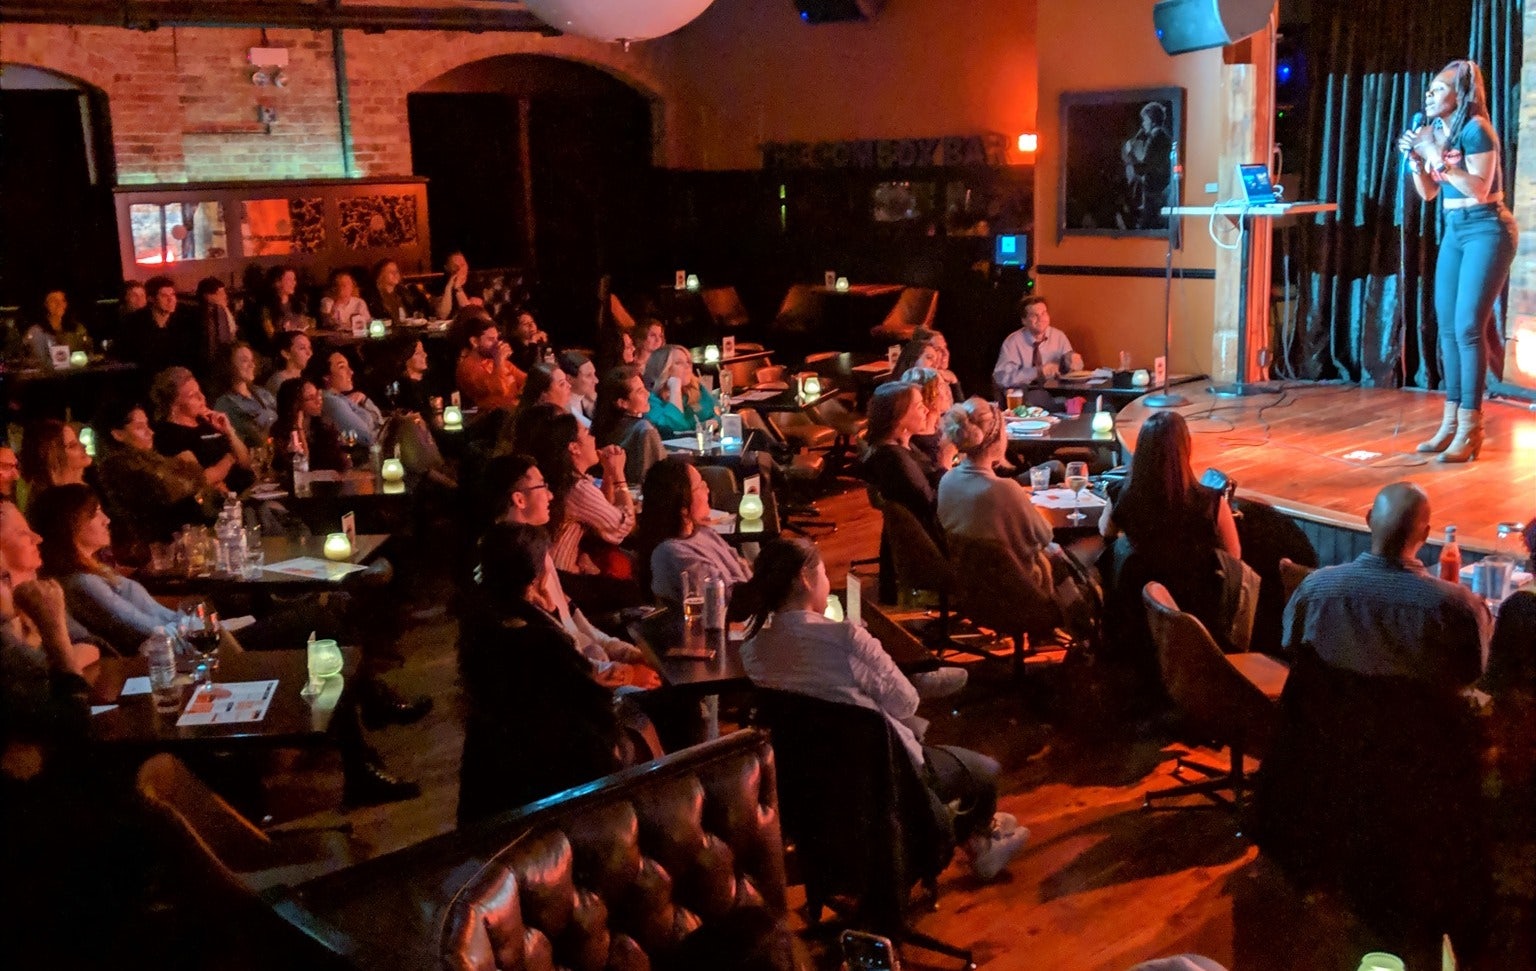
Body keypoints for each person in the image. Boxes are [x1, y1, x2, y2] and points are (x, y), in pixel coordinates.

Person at [1261, 482, 1490, 958]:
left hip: (1334, 757)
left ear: (1367, 520)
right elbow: (1472, 679)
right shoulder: (1457, 608)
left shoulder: (1315, 589)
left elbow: (1294, 656)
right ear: (1425, 534)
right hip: (1420, 774)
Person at [738, 538, 1028, 881]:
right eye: (823, 572)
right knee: (987, 772)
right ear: (805, 578)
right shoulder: (845, 638)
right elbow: (906, 702)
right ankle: (975, 838)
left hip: (807, 788)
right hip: (882, 772)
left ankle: (968, 830)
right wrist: (868, 653)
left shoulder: (753, 649)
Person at [456, 522, 626, 825]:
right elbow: (592, 715)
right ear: (534, 581)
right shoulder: (539, 641)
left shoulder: (486, 627)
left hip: (495, 787)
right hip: (553, 785)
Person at [1401, 59, 1518, 464]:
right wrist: (1418, 161)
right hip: (1455, 229)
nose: (1430, 96)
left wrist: (1435, 153)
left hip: (1488, 229)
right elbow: (1429, 194)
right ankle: (1451, 422)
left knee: (1469, 326)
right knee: (1448, 328)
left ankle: (1471, 427)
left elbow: (1480, 187)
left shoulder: (1476, 129)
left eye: (1438, 89)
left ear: (1460, 94)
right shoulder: (1441, 131)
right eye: (1430, 90)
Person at [497, 454, 659, 691]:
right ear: (519, 499)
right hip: (580, 692)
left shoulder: (539, 552)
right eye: (542, 487)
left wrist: (630, 655)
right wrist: (628, 674)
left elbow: (575, 624)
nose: (551, 495)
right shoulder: (511, 568)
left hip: (596, 668)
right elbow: (562, 665)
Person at [1098, 411, 1244, 664]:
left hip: (1138, 611)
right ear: (1186, 448)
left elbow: (1105, 531)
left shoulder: (1122, 494)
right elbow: (1234, 555)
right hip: (1197, 613)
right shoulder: (1211, 502)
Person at [937, 397, 1087, 627]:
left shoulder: (947, 480)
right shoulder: (1004, 490)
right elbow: (1045, 535)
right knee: (1091, 553)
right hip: (1022, 593)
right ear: (998, 440)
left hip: (973, 591)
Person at [30, 484, 183, 655]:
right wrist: (190, 627)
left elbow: (159, 617)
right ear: (70, 525)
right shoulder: (83, 581)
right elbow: (148, 629)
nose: (106, 520)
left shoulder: (93, 571)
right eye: (95, 514)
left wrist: (188, 622)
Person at [93, 400, 217, 555]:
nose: (150, 432)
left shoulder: (154, 459)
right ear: (118, 434)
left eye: (147, 425)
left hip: (188, 538)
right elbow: (167, 492)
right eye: (139, 427)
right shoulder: (118, 468)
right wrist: (192, 475)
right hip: (159, 551)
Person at [523, 409, 635, 577]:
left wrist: (608, 473)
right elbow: (621, 527)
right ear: (574, 447)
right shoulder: (578, 489)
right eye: (587, 433)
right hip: (563, 577)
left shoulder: (565, 479)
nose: (594, 438)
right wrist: (619, 475)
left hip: (556, 571)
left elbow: (602, 511)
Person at [861, 381, 944, 606]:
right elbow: (931, 505)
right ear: (899, 418)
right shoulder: (894, 460)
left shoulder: (903, 446)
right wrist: (947, 458)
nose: (926, 410)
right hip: (932, 545)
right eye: (919, 407)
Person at [636, 457, 750, 606]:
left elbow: (743, 571)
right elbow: (720, 601)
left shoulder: (704, 533)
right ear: (682, 506)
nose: (708, 490)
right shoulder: (671, 552)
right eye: (701, 486)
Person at [149, 366, 253, 493]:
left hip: (248, 490)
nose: (202, 398)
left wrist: (229, 432)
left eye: (200, 392)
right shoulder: (170, 435)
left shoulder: (207, 422)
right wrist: (230, 458)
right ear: (174, 405)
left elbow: (246, 463)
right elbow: (201, 479)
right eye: (193, 395)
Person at [992, 295, 1083, 394]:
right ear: (1024, 320)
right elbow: (1002, 378)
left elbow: (1071, 368)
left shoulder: (1059, 336)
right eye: (1034, 315)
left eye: (1043, 313)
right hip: (1024, 395)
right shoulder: (1013, 342)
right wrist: (1038, 372)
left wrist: (1074, 362)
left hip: (1055, 392)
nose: (1040, 318)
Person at [593, 364, 665, 485]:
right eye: (639, 391)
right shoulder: (645, 430)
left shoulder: (602, 426)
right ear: (623, 403)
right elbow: (657, 477)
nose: (647, 394)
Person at [115, 276, 198, 374]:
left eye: (172, 295)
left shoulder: (185, 320)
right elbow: (125, 355)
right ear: (151, 299)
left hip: (180, 377)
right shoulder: (135, 322)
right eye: (164, 296)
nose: (171, 300)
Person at [270, 378, 350, 475]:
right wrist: (299, 429)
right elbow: (300, 467)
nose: (318, 401)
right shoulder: (279, 431)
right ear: (295, 404)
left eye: (318, 394)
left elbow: (341, 462)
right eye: (311, 398)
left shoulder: (323, 426)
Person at [307, 349, 383, 448]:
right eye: (342, 367)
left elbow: (378, 421)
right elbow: (365, 437)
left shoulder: (338, 397)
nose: (351, 372)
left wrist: (364, 400)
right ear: (326, 376)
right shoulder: (332, 401)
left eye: (348, 366)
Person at [211, 342, 278, 449]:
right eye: (244, 360)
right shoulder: (225, 403)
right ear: (229, 365)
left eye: (252, 360)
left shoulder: (263, 393)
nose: (252, 365)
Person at [1120, 101, 1174, 230]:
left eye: (1144, 120)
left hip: (1154, 195)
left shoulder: (1155, 138)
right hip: (1158, 192)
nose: (1143, 125)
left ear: (1151, 120)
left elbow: (1143, 168)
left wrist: (1129, 153)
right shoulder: (1162, 136)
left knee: (1145, 227)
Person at [644, 344, 719, 436]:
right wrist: (675, 388)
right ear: (663, 368)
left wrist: (714, 422)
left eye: (688, 362)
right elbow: (675, 429)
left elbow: (717, 411)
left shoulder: (696, 388)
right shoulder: (651, 400)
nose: (687, 366)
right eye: (678, 363)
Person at [455, 310, 524, 410]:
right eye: (491, 339)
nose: (497, 344)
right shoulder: (468, 368)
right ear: (474, 341)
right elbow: (499, 391)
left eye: (497, 339)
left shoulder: (493, 360)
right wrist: (499, 362)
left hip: (515, 411)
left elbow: (526, 380)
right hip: (494, 419)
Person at [901, 365, 958, 471]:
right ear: (925, 394)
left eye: (946, 385)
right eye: (941, 386)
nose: (947, 391)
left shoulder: (942, 428)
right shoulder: (913, 443)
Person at [18, 419, 92, 499]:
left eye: (78, 441)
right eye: (72, 446)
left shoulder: (86, 490)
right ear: (54, 457)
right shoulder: (55, 502)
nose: (83, 446)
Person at [23, 289, 93, 366]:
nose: (59, 304)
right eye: (54, 301)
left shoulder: (77, 329)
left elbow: (87, 353)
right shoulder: (36, 332)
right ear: (46, 305)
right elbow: (39, 360)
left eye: (62, 300)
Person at [194, 277, 238, 378]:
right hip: (210, 365)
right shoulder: (203, 316)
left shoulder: (226, 312)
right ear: (208, 296)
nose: (225, 296)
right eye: (220, 293)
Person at [257, 265, 308, 344]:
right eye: (289, 280)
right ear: (277, 283)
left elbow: (305, 326)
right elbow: (271, 336)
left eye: (294, 279)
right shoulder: (267, 308)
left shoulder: (299, 304)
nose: (294, 283)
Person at [369, 258, 428, 324]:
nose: (395, 274)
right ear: (381, 275)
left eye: (396, 271)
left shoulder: (404, 293)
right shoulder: (374, 297)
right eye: (391, 272)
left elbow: (414, 313)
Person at [264, 330, 312, 394]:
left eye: (309, 348)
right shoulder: (279, 382)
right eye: (302, 348)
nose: (309, 353)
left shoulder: (305, 379)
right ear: (286, 354)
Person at [432, 251, 477, 319]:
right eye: (455, 266)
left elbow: (469, 313)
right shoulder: (439, 283)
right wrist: (448, 287)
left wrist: (458, 288)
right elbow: (442, 315)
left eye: (462, 265)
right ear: (447, 268)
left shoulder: (475, 281)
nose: (460, 269)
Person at [503, 308, 549, 374]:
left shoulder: (539, 342)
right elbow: (531, 368)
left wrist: (545, 344)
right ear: (514, 330)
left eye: (532, 322)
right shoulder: (513, 350)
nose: (531, 325)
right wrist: (533, 342)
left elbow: (550, 362)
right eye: (525, 324)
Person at [559, 350, 598, 427]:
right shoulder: (566, 413)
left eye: (594, 374)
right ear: (569, 379)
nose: (596, 380)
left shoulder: (586, 400)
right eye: (588, 375)